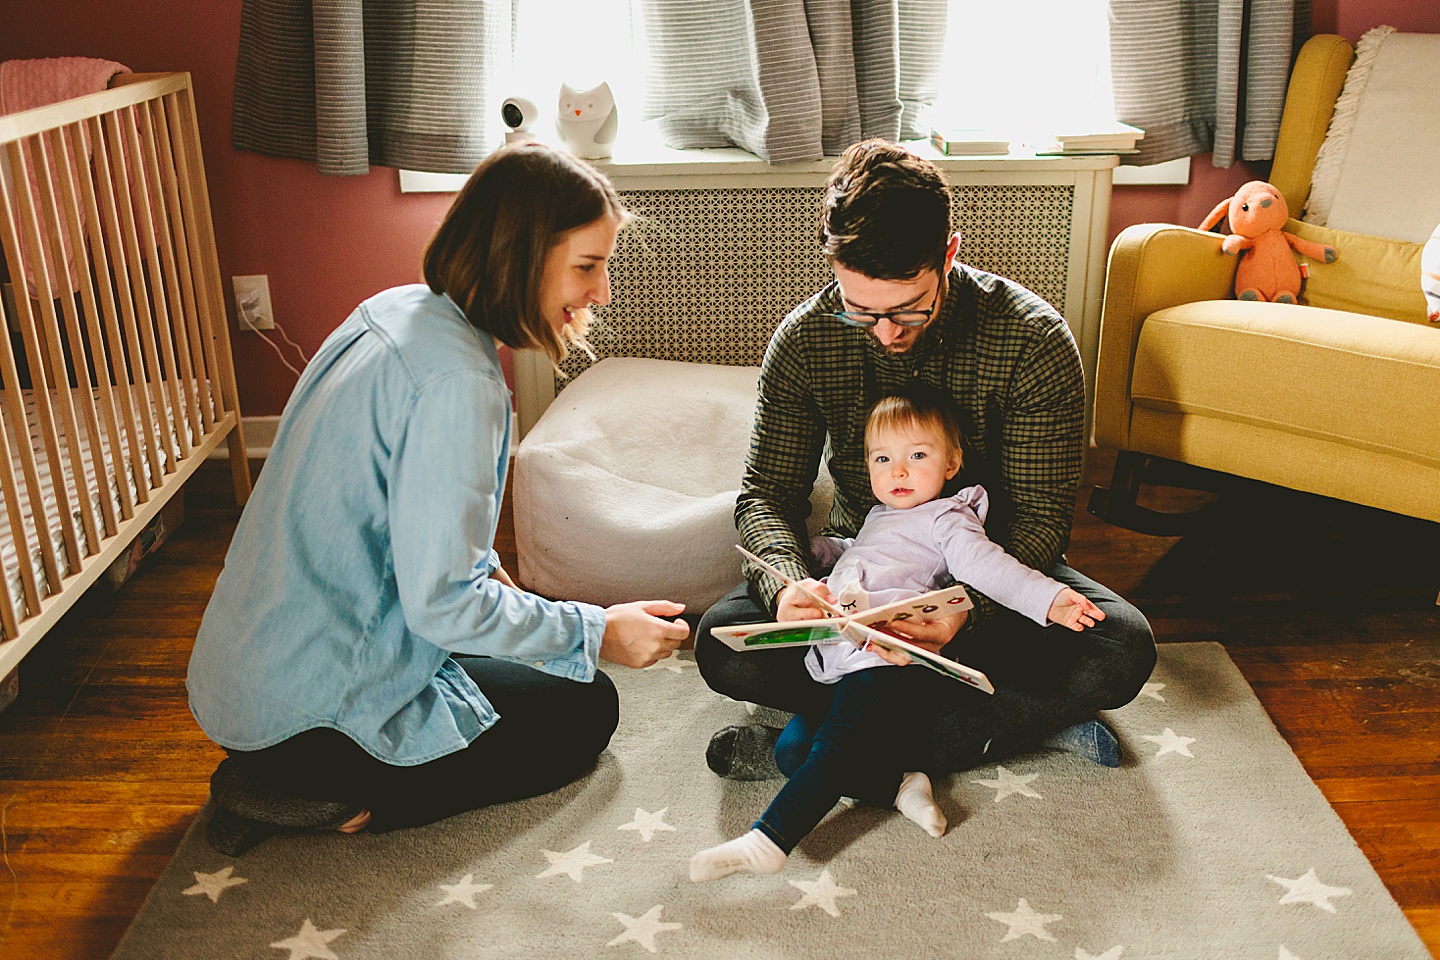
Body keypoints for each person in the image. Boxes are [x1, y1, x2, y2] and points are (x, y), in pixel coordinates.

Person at [187, 144, 689, 855]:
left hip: (244, 679)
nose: (602, 292)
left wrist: (550, 623)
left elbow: (436, 541)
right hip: (307, 720)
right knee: (585, 709)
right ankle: (325, 794)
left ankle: (285, 773)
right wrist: (595, 632)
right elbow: (445, 605)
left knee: (531, 664)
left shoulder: (394, 312)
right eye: (587, 266)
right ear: (519, 255)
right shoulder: (462, 387)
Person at [695, 138, 1156, 788]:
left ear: (949, 253)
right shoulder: (804, 339)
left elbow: (1041, 519)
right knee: (722, 642)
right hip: (865, 575)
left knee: (1121, 648)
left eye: (908, 307)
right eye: (862, 309)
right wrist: (789, 587)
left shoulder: (1033, 339)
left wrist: (968, 607)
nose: (885, 331)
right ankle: (1013, 725)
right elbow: (765, 494)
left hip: (991, 571)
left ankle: (803, 752)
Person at [690, 387, 1106, 880]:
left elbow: (990, 567)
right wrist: (816, 554)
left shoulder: (948, 518)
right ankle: (901, 785)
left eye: (917, 456)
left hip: (892, 655)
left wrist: (1049, 599)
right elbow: (861, 551)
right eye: (883, 458)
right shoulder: (880, 516)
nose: (899, 471)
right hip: (841, 654)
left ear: (951, 462)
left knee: (834, 747)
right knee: (793, 752)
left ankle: (771, 837)